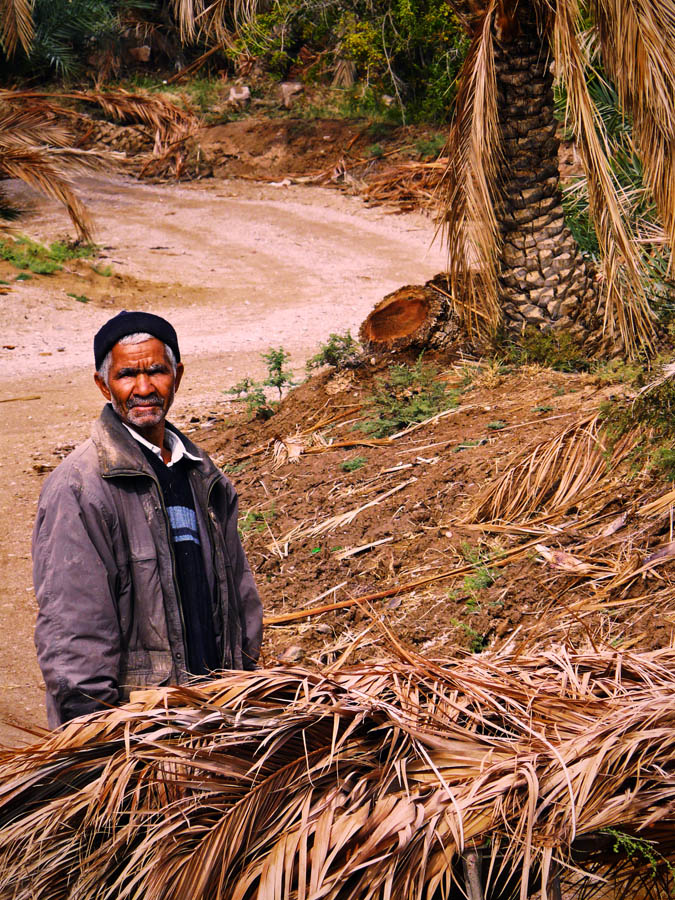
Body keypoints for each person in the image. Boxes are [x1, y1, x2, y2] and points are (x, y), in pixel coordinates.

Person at [33, 311, 262, 728]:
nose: (144, 388)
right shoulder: (80, 487)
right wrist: (92, 733)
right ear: (103, 385)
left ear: (177, 374)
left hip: (216, 719)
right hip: (137, 730)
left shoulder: (204, 477)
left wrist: (245, 695)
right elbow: (73, 627)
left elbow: (240, 601)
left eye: (156, 371)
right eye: (126, 375)